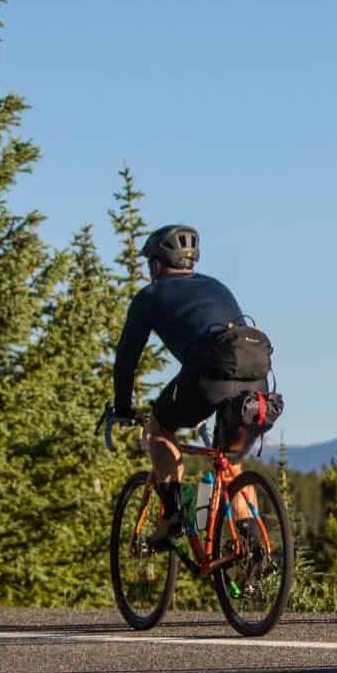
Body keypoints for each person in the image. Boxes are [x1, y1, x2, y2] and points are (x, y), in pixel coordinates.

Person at [113, 224, 270, 548]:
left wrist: (123, 407)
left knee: (161, 425)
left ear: (157, 264)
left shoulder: (150, 296)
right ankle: (253, 549)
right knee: (231, 462)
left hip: (209, 376)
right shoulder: (217, 286)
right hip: (257, 380)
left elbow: (127, 356)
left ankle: (172, 515)